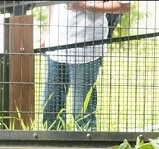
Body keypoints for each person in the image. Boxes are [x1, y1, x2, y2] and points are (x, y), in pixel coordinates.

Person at [40, 1, 131, 131]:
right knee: (50, 108)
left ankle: (87, 148)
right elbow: (52, 4)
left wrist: (86, 6)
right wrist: (47, 32)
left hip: (86, 50)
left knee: (82, 111)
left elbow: (124, 6)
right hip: (56, 47)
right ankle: (52, 148)